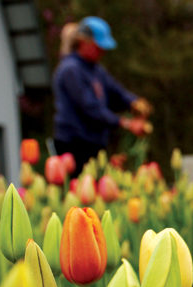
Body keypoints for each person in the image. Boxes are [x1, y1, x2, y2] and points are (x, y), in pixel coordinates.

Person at [52, 16, 151, 177]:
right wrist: (126, 123)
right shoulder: (71, 69)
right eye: (99, 47)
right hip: (74, 145)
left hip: (94, 144)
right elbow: (91, 108)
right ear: (84, 42)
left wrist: (135, 102)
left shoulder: (95, 70)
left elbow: (116, 92)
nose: (103, 52)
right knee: (80, 193)